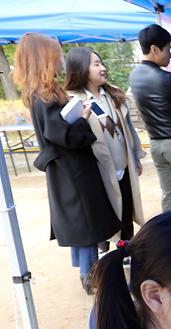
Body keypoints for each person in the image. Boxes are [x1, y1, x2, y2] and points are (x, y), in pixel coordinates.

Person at [13, 33, 120, 294]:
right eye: (55, 54)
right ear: (44, 58)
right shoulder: (45, 96)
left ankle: (88, 272)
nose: (60, 59)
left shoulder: (40, 94)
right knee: (86, 225)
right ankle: (91, 277)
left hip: (69, 171)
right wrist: (82, 117)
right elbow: (65, 136)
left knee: (83, 225)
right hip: (73, 171)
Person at [65, 47, 145, 243]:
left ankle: (126, 257)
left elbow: (127, 128)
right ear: (81, 69)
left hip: (123, 168)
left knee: (126, 213)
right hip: (99, 173)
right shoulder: (73, 101)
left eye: (102, 63)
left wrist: (134, 156)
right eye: (96, 64)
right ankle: (108, 263)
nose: (103, 67)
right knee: (106, 220)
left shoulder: (112, 94)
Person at [129, 24, 171, 213]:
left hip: (156, 144)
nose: (170, 55)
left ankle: (168, 235)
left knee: (169, 193)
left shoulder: (134, 76)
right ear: (154, 49)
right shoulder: (166, 78)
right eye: (168, 49)